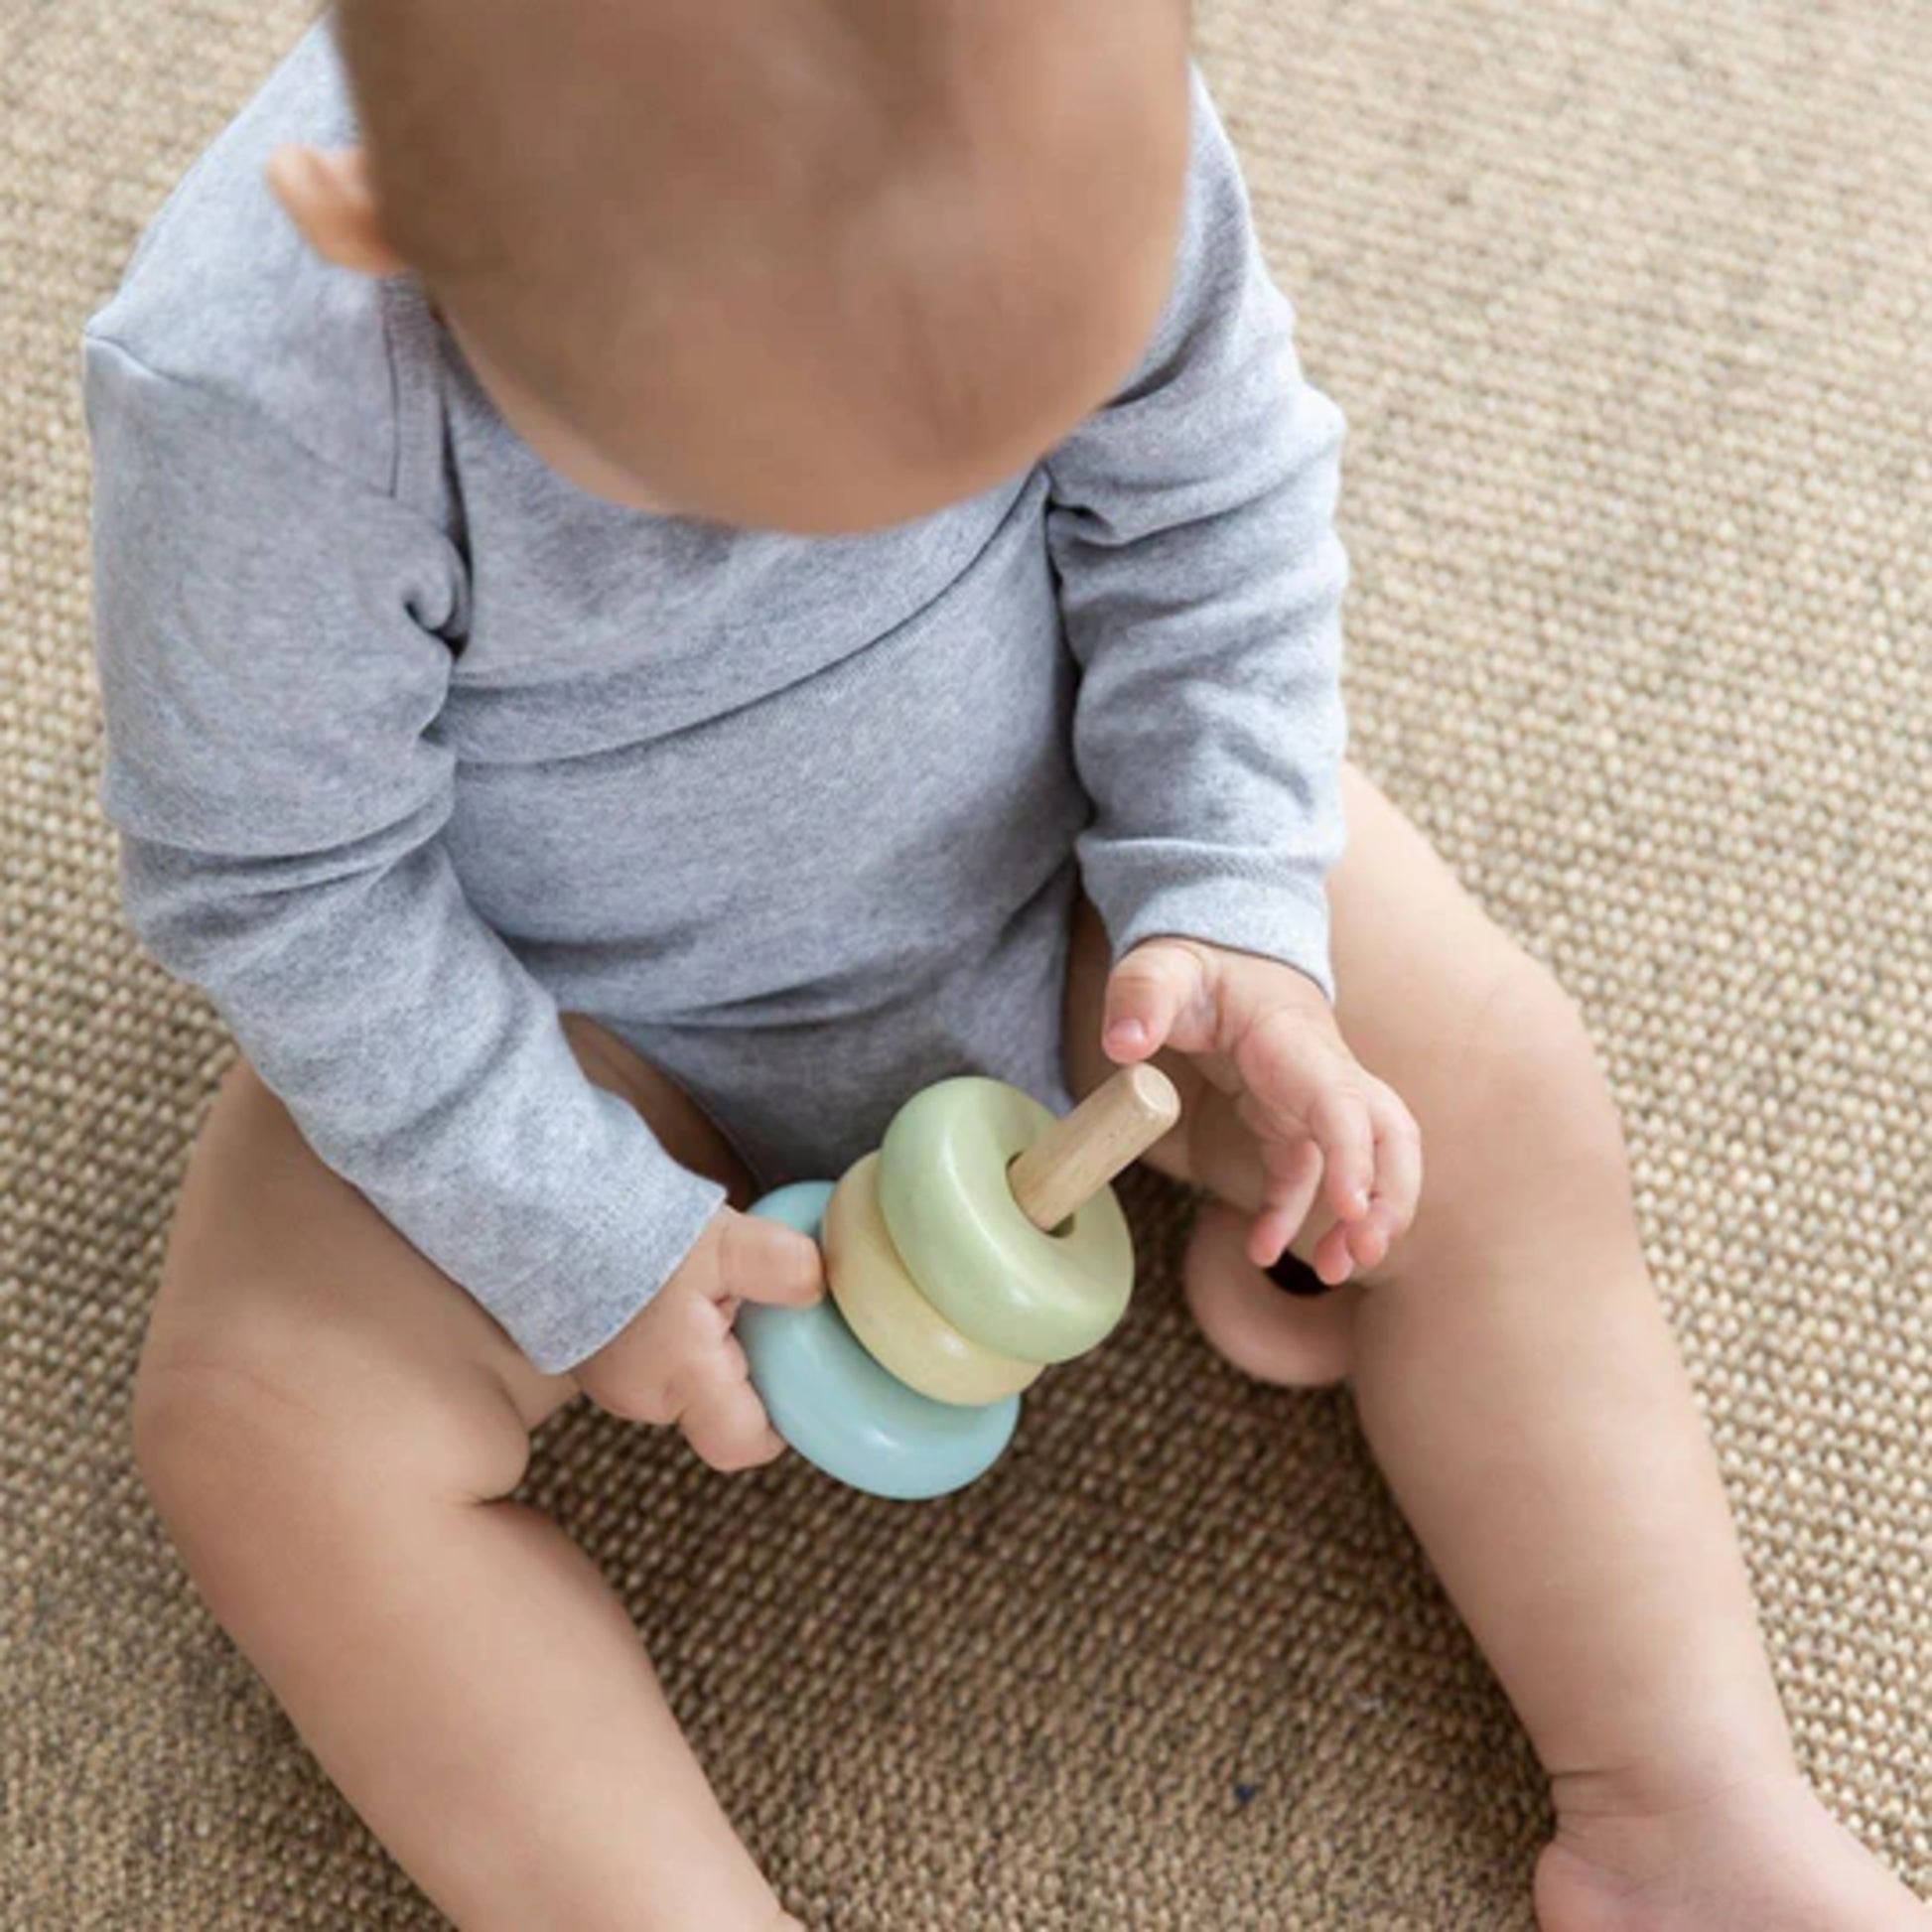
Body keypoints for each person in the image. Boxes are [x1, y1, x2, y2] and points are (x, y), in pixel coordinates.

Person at [84, 3, 1928, 1925]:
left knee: (1490, 1082)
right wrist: (568, 1218)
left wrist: (1229, 910)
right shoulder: (255, 398)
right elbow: (290, 885)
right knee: (262, 1436)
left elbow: (1206, 497)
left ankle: (1682, 1801)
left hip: (1069, 871)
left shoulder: (1049, 95)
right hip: (579, 1017)